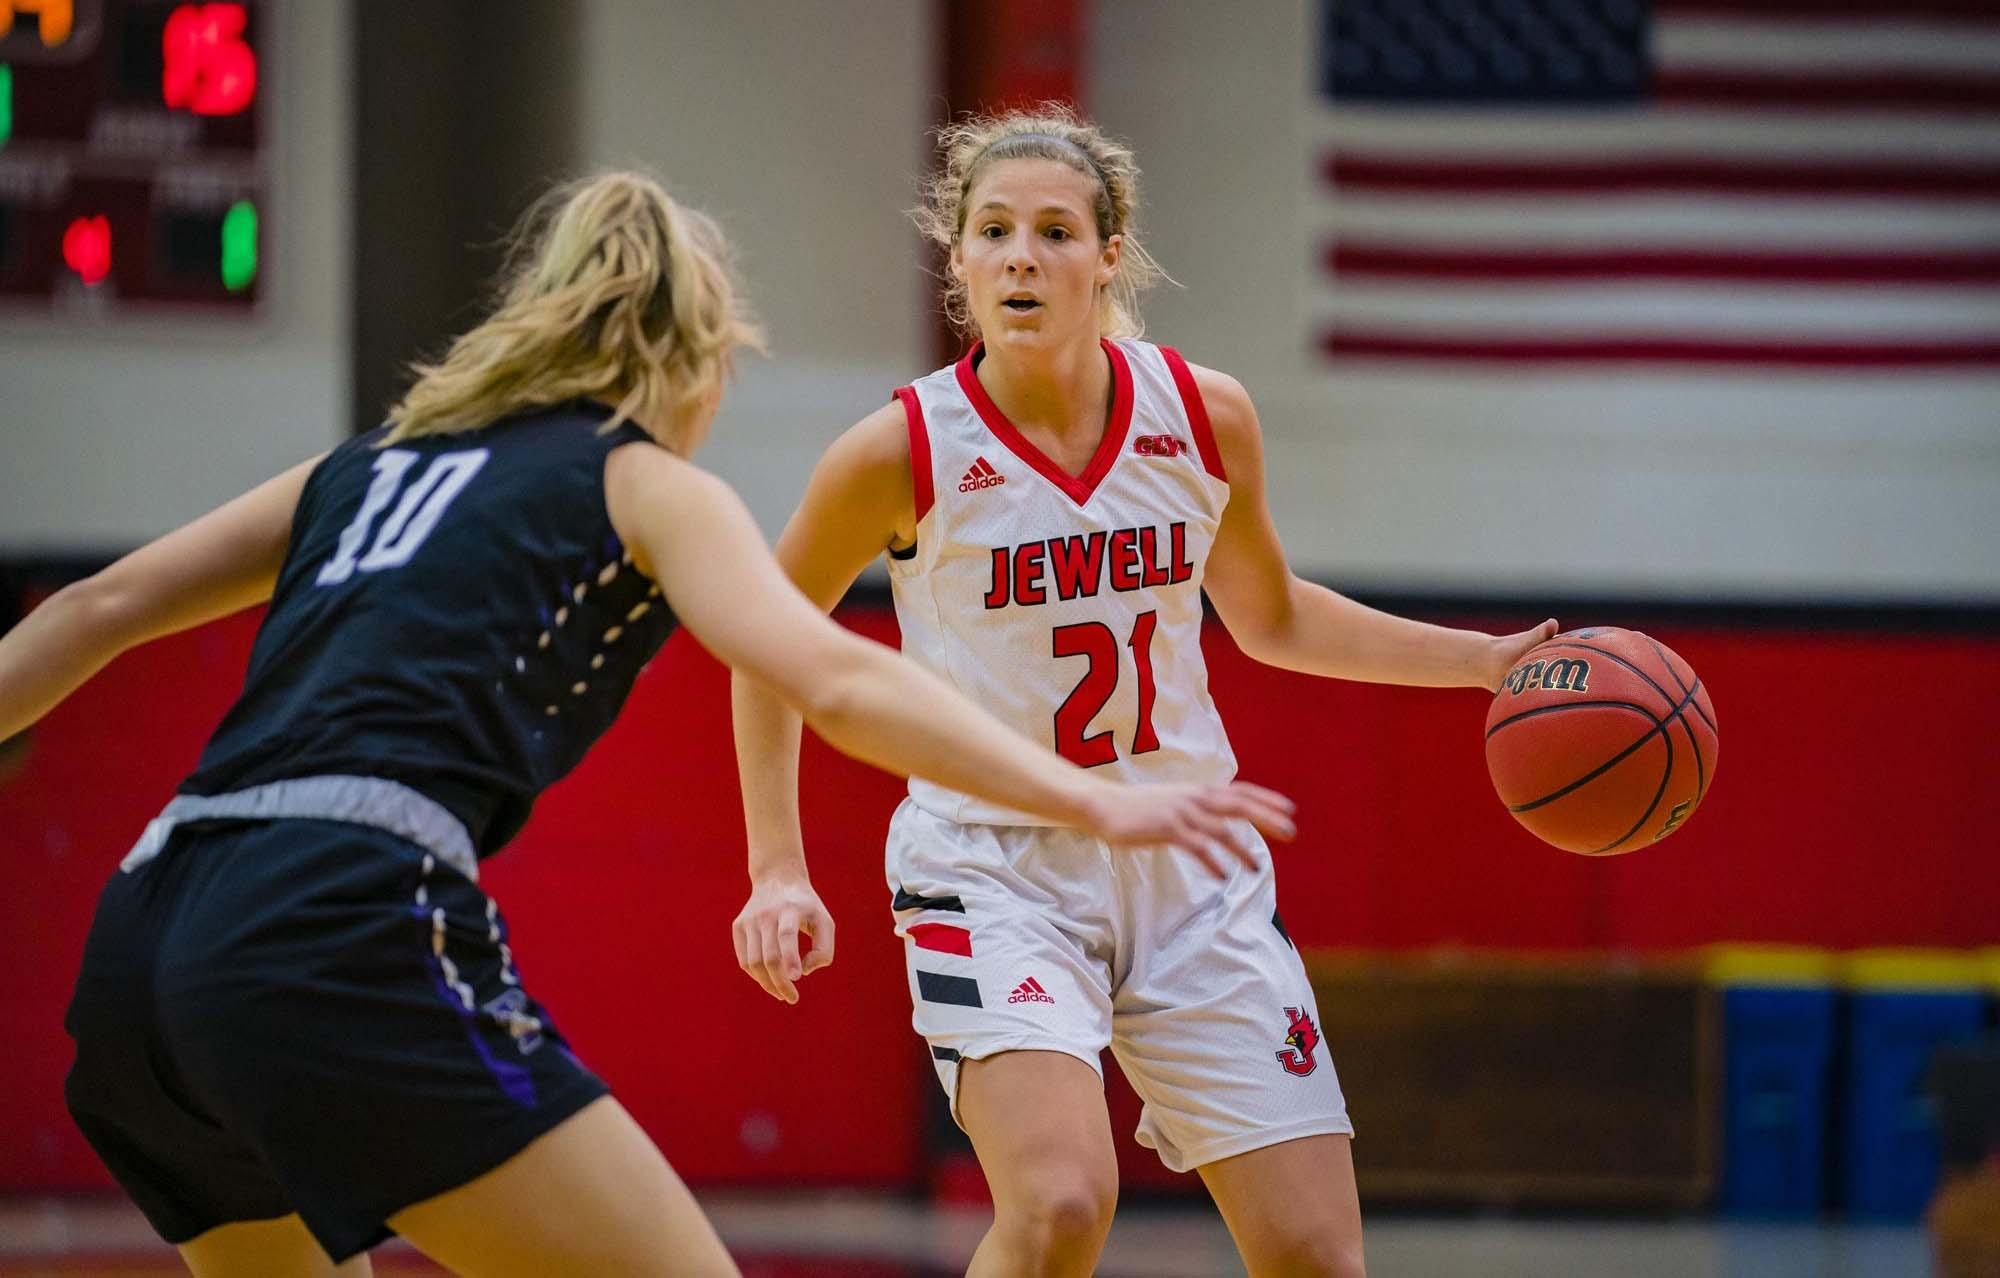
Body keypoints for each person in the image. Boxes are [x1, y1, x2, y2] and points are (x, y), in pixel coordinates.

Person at [0, 171, 1296, 1278]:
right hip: (332, 910)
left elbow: (101, 603)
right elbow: (838, 679)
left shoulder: (375, 462)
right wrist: (1091, 796)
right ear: (695, 350)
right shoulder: (643, 480)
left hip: (146, 928)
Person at [729, 107, 1557, 1278]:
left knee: (1318, 1254)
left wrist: (1475, 663)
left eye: (1056, 231)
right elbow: (763, 640)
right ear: (957, 258)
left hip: (1188, 863)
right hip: (992, 863)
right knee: (1063, 1203)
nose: (1023, 255)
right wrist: (776, 866)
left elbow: (1267, 618)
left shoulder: (1201, 416)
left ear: (1108, 256)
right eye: (994, 231)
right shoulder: (897, 450)